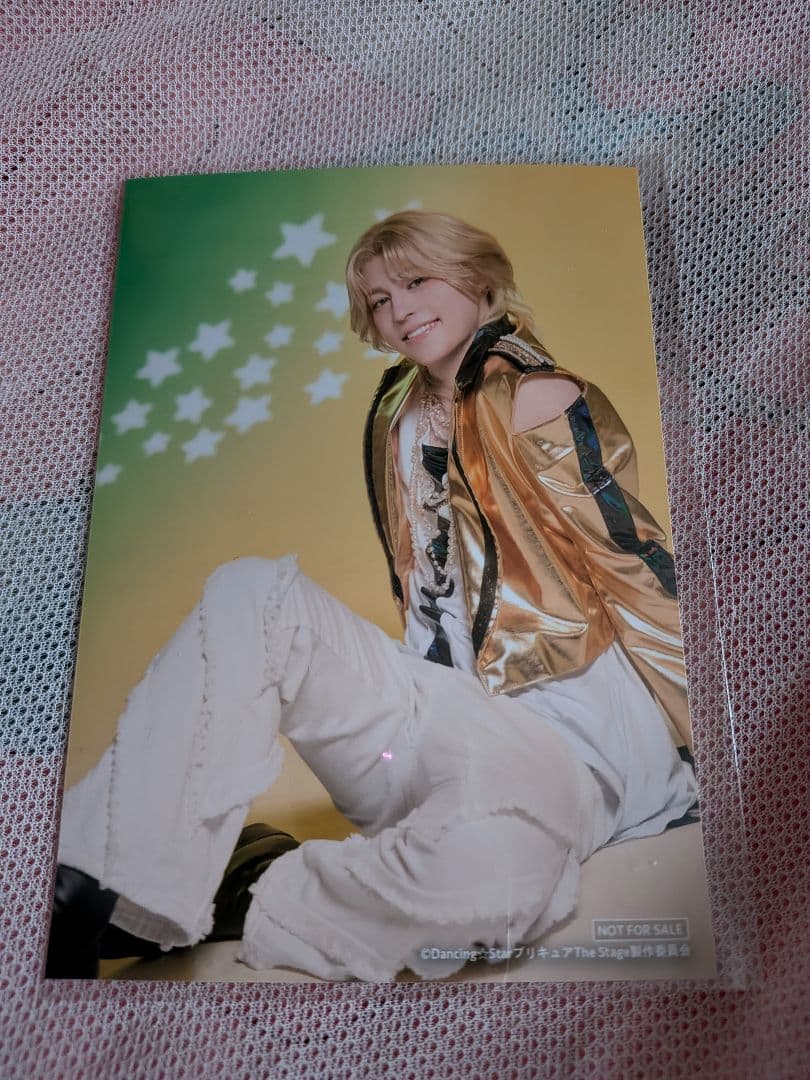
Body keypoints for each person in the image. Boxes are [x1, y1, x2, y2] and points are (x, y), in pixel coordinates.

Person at [48, 211, 697, 982]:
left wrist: (707, 737)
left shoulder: (538, 398)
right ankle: (99, 879)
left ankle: (257, 885)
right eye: (380, 300)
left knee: (486, 890)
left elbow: (629, 560)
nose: (399, 311)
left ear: (478, 278)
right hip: (436, 715)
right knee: (252, 590)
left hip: (558, 732)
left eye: (416, 282)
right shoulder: (397, 410)